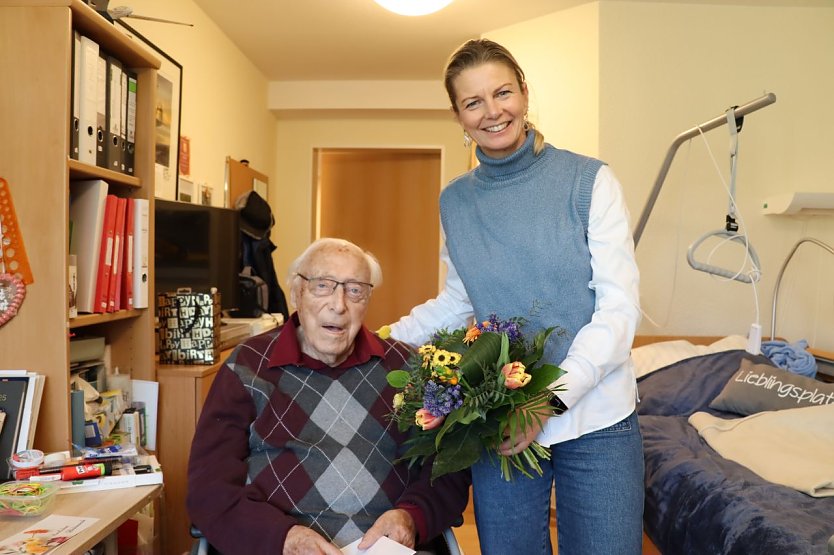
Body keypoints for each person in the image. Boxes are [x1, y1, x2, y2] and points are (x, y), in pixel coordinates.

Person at [388, 39, 643, 555]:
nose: (492, 112)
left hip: (597, 416)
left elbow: (619, 308)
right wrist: (381, 338)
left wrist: (546, 402)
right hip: (497, 417)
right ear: (458, 115)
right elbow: (460, 302)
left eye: (502, 92)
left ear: (524, 92)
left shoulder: (588, 181)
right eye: (473, 102)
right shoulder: (456, 201)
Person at [187, 237, 471, 555]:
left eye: (355, 290)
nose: (338, 305)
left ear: (367, 299)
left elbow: (447, 469)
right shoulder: (247, 366)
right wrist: (283, 539)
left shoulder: (406, 367)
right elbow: (208, 488)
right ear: (297, 293)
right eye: (323, 286)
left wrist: (411, 517)